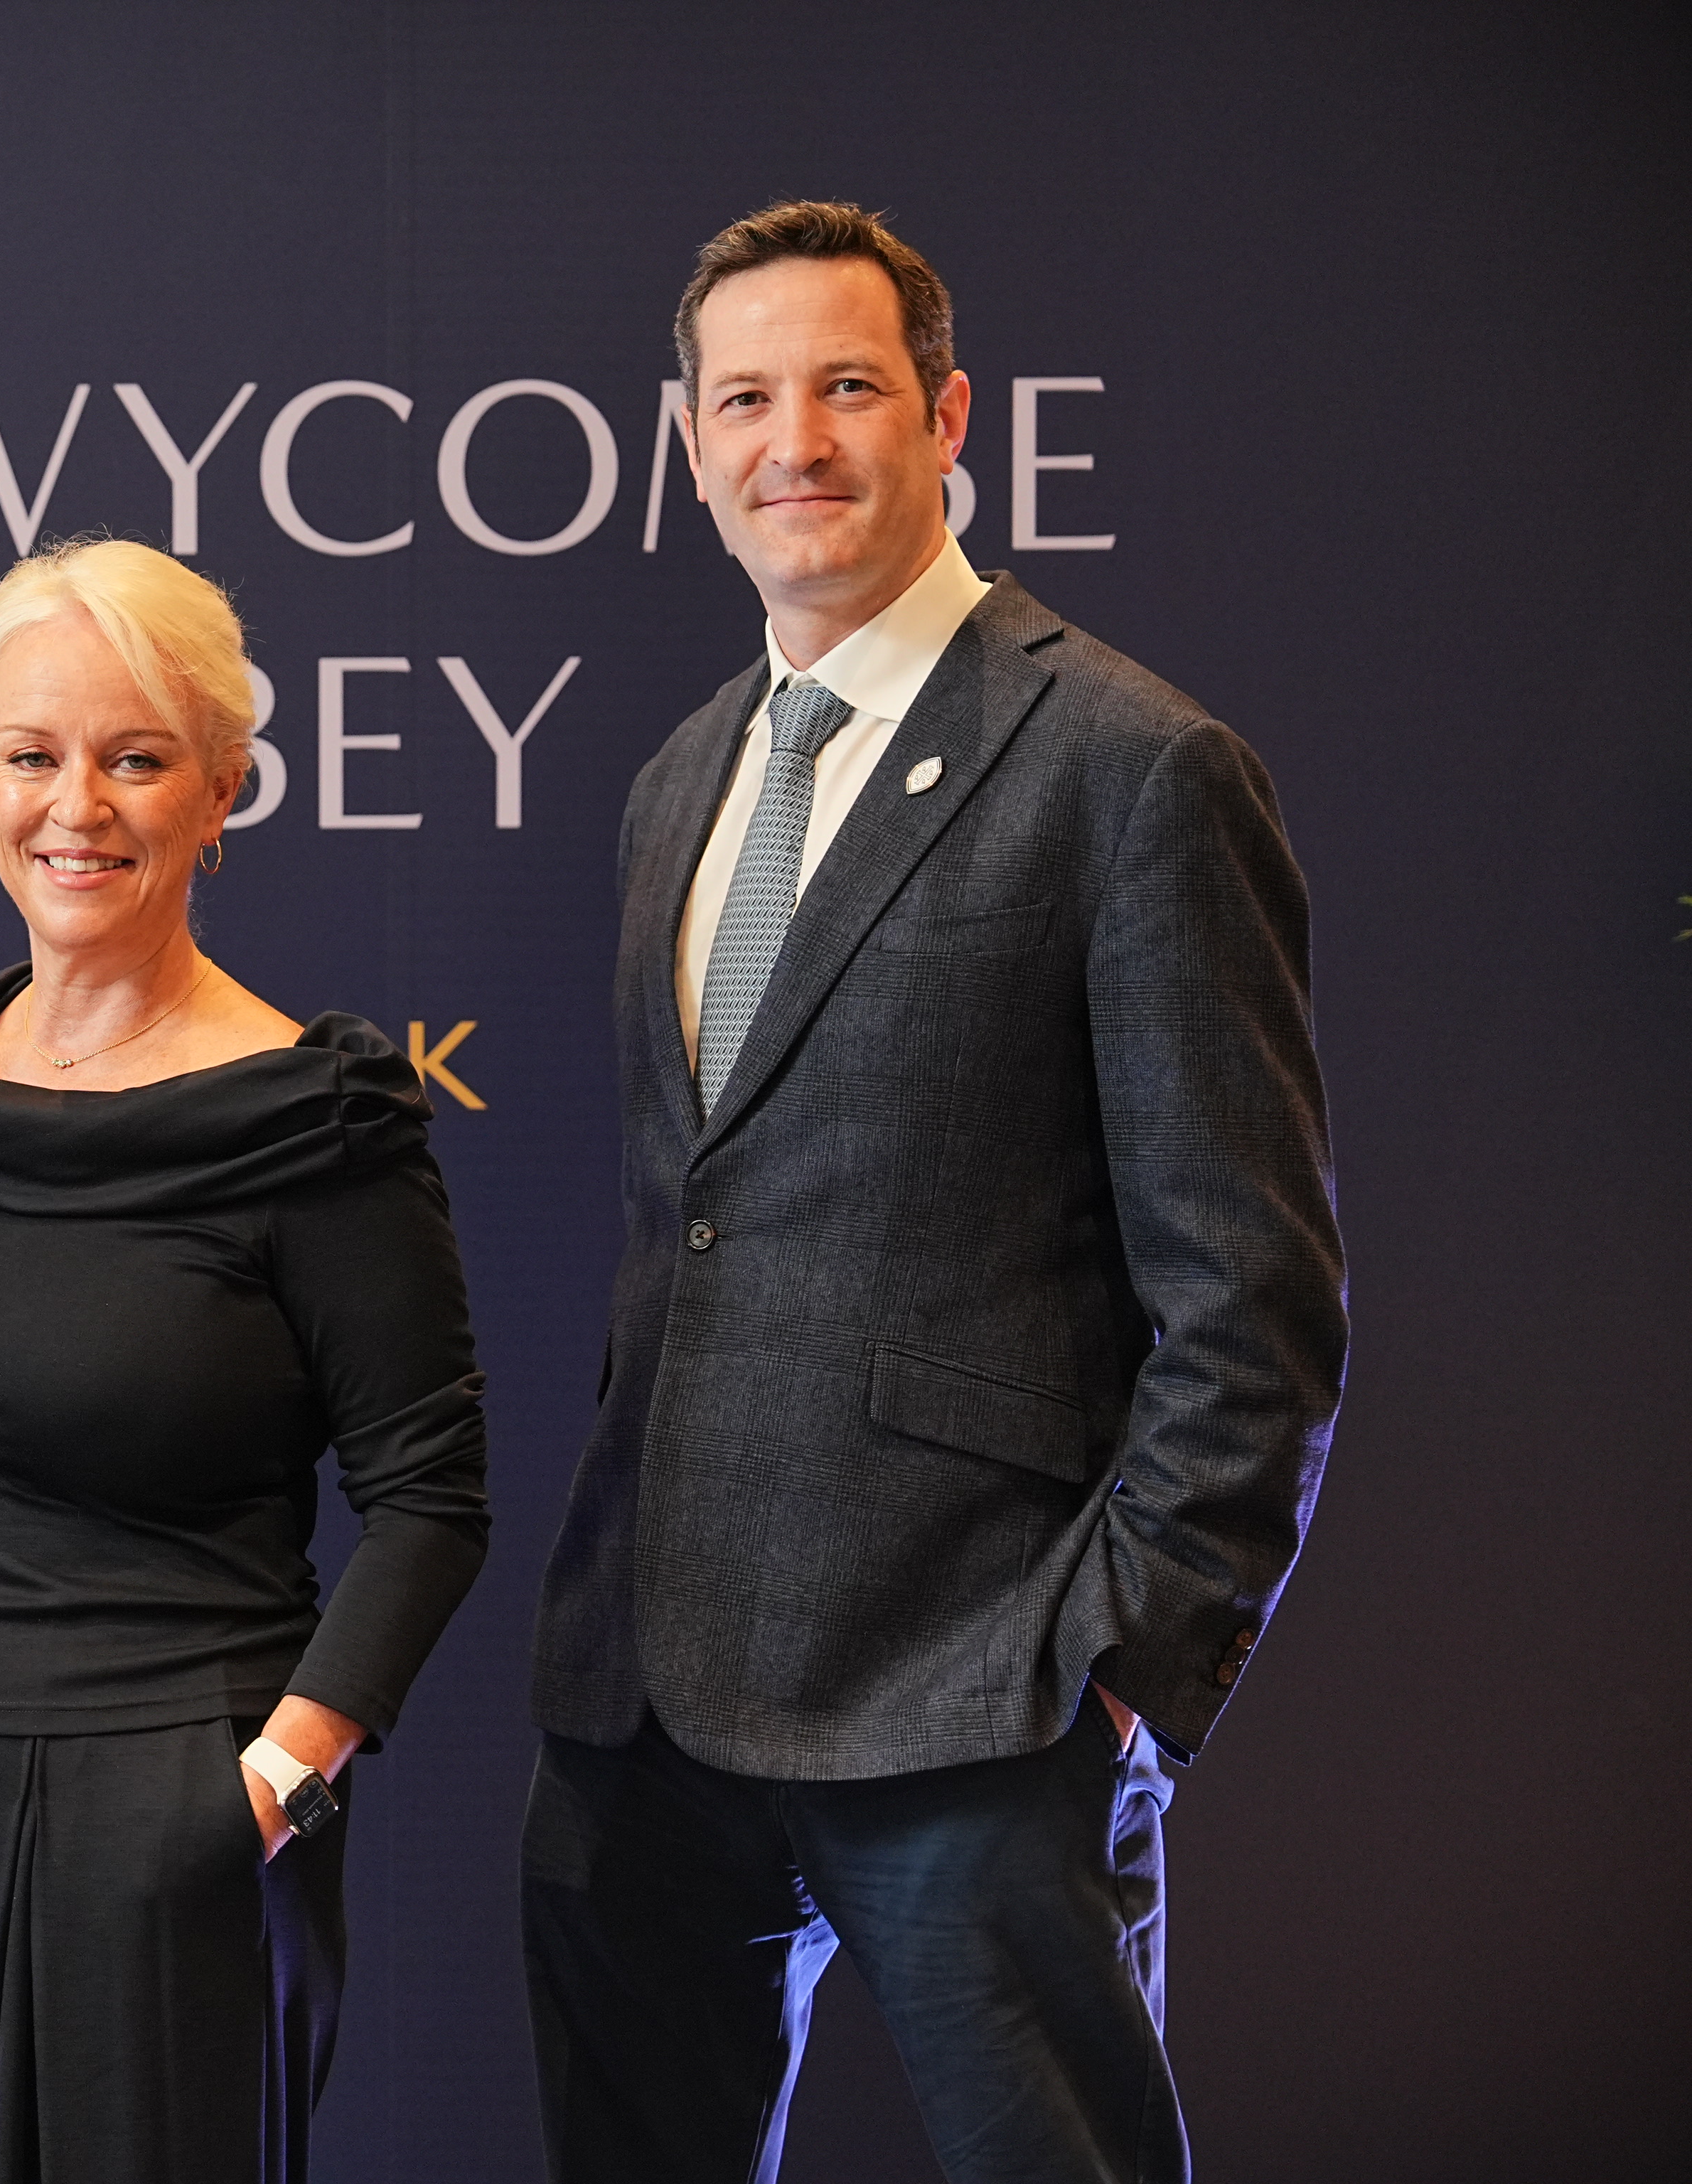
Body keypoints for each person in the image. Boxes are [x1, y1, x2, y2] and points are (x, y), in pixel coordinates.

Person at [523, 203, 1346, 2183]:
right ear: (693, 442)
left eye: (847, 387)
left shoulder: (1136, 768)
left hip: (979, 1706)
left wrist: (1128, 1678)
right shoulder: (680, 778)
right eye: (744, 398)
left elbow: (1256, 1298)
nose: (791, 438)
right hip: (646, 1712)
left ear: (949, 414)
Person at [0, 538, 491, 2184]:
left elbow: (428, 1501)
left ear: (220, 790)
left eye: (136, 759)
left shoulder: (318, 1116)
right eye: (34, 755)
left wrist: (269, 1790)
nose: (76, 805)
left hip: (154, 1815)